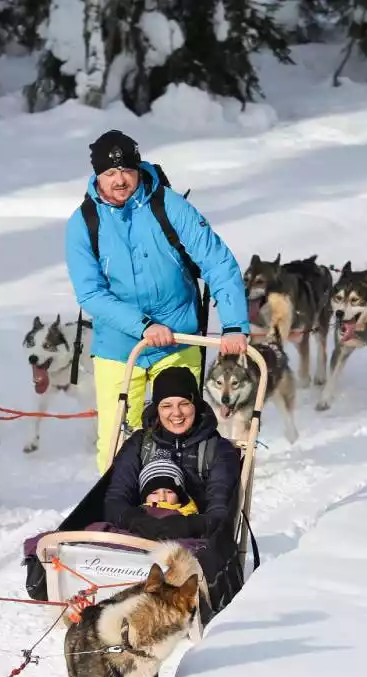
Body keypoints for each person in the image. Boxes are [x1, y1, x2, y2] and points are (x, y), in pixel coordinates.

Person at [65, 129, 251, 473]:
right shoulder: (83, 223)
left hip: (179, 338)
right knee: (117, 441)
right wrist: (144, 326)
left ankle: (184, 511)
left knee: (182, 431)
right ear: (97, 176)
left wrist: (235, 324)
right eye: (110, 173)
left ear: (138, 168)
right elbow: (90, 293)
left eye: (127, 170)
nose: (119, 180)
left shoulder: (170, 205)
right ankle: (118, 512)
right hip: (119, 344)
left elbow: (217, 262)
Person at [101, 366, 240, 544]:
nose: (176, 413)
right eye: (166, 405)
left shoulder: (218, 449)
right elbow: (114, 499)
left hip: (194, 541)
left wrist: (188, 526)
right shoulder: (139, 444)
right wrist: (136, 521)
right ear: (157, 409)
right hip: (137, 536)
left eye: (184, 404)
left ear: (195, 405)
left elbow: (220, 511)